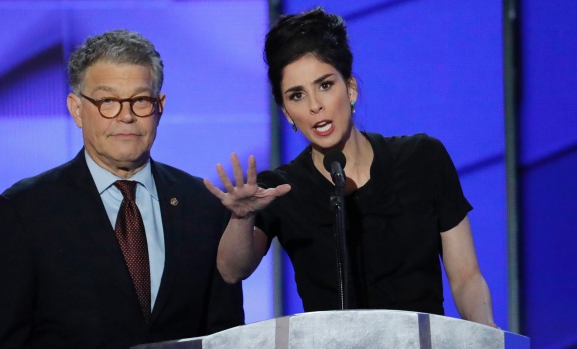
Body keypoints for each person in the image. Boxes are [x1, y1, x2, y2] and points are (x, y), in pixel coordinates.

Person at [205, 8, 496, 327]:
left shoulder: (422, 158)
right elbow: (231, 270)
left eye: (325, 85)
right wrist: (241, 217)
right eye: (297, 95)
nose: (314, 105)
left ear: (351, 88)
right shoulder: (281, 189)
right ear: (287, 112)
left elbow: (466, 277)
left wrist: (487, 335)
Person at [0, 29, 244, 349]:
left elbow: (227, 338)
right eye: (107, 102)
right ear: (76, 109)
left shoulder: (205, 205)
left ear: (159, 106)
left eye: (140, 100)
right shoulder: (24, 211)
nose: (126, 116)